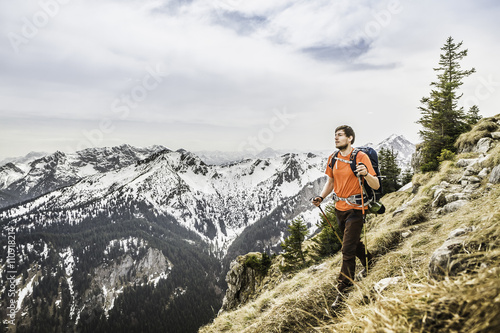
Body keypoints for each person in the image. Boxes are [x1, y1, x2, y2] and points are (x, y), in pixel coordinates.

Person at [312, 125, 379, 309]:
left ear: (350, 138)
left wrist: (366, 174)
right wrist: (321, 197)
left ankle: (343, 290)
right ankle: (370, 261)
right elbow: (331, 181)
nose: (336, 138)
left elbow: (375, 184)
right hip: (339, 208)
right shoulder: (332, 158)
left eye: (340, 135)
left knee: (347, 250)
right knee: (354, 243)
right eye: (335, 135)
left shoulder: (360, 157)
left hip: (357, 208)